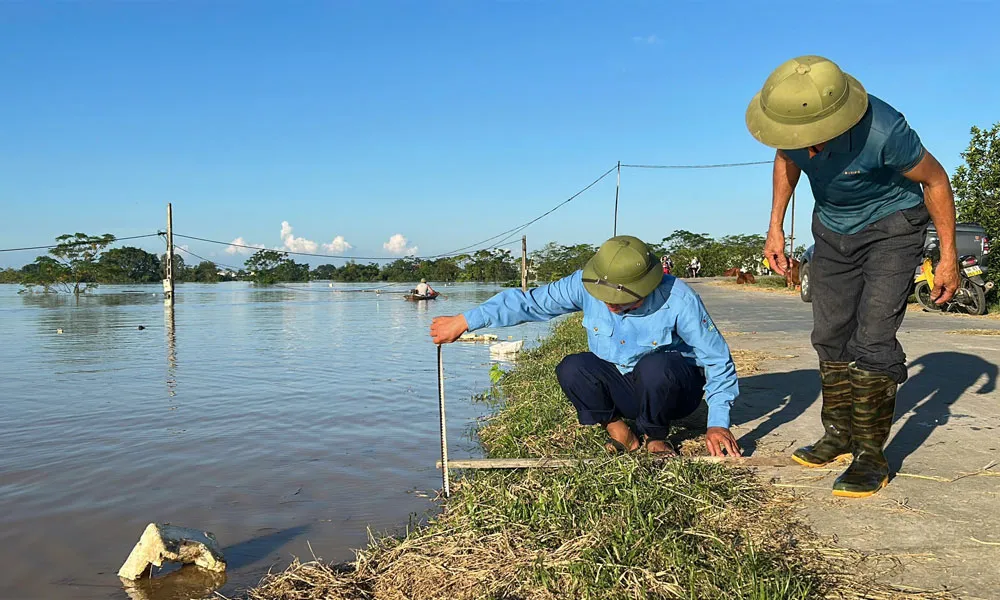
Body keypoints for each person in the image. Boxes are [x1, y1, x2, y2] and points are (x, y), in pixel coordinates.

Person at [746, 55, 959, 498]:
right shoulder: (792, 128)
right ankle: (838, 435)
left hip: (892, 229)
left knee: (874, 339)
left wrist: (948, 256)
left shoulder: (884, 130)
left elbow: (936, 182)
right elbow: (787, 161)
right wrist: (774, 226)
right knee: (830, 332)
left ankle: (870, 456)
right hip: (832, 231)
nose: (802, 146)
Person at [430, 235, 742, 457]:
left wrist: (717, 423)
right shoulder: (583, 284)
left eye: (623, 302)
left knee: (656, 366)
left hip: (673, 389)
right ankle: (623, 435)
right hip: (625, 387)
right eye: (606, 300)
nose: (611, 307)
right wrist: (465, 320)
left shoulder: (678, 297)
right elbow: (528, 303)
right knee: (572, 367)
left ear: (648, 285)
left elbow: (717, 359)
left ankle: (657, 438)